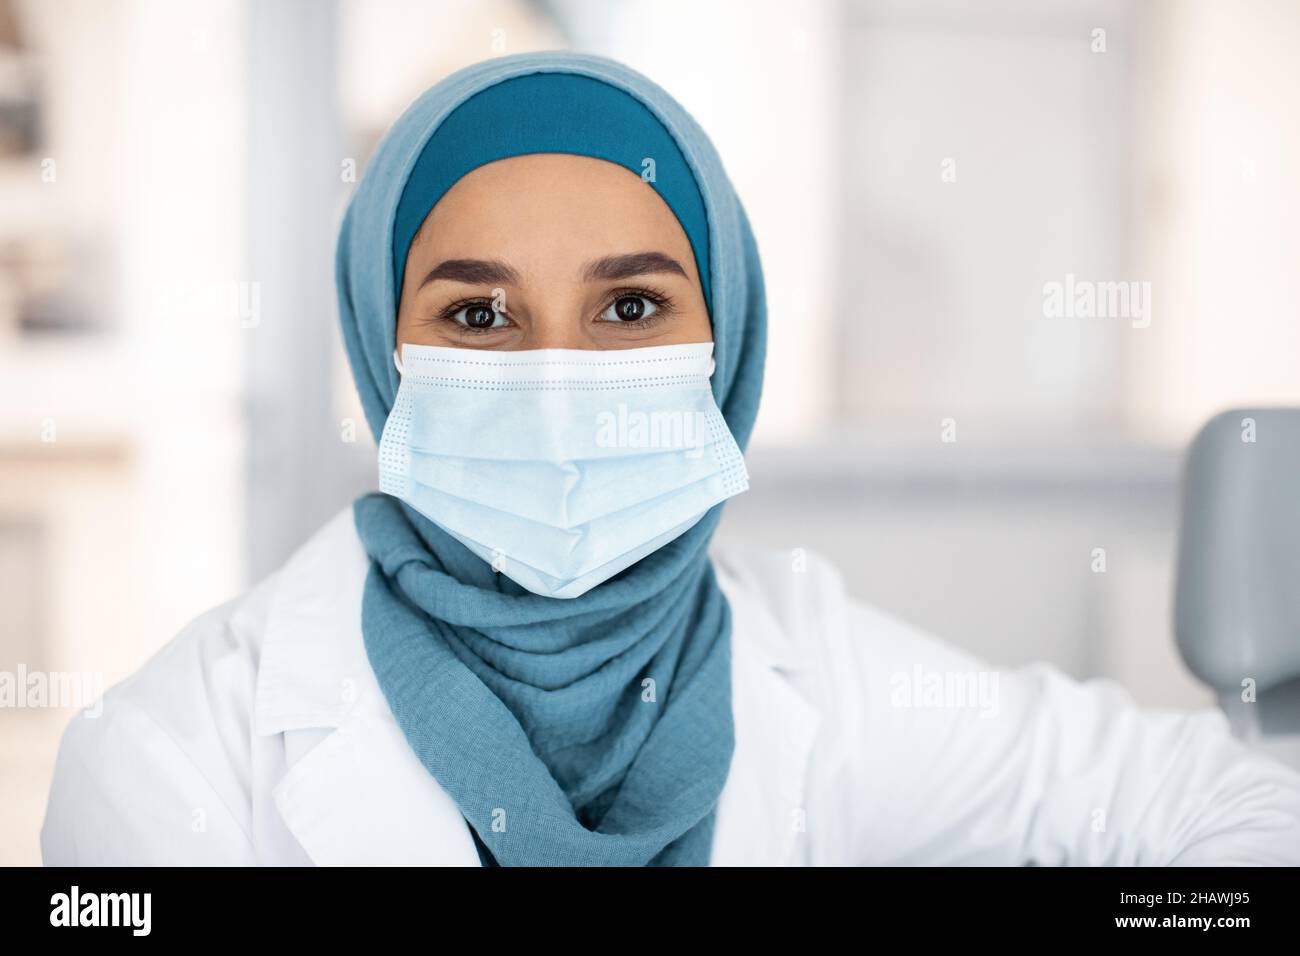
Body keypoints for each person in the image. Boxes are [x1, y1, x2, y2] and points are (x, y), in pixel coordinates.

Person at [41, 51, 1300, 866]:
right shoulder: (171, 758)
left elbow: (1219, 805)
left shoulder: (815, 664)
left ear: (727, 344)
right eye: (477, 315)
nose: (556, 382)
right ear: (384, 352)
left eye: (631, 308)